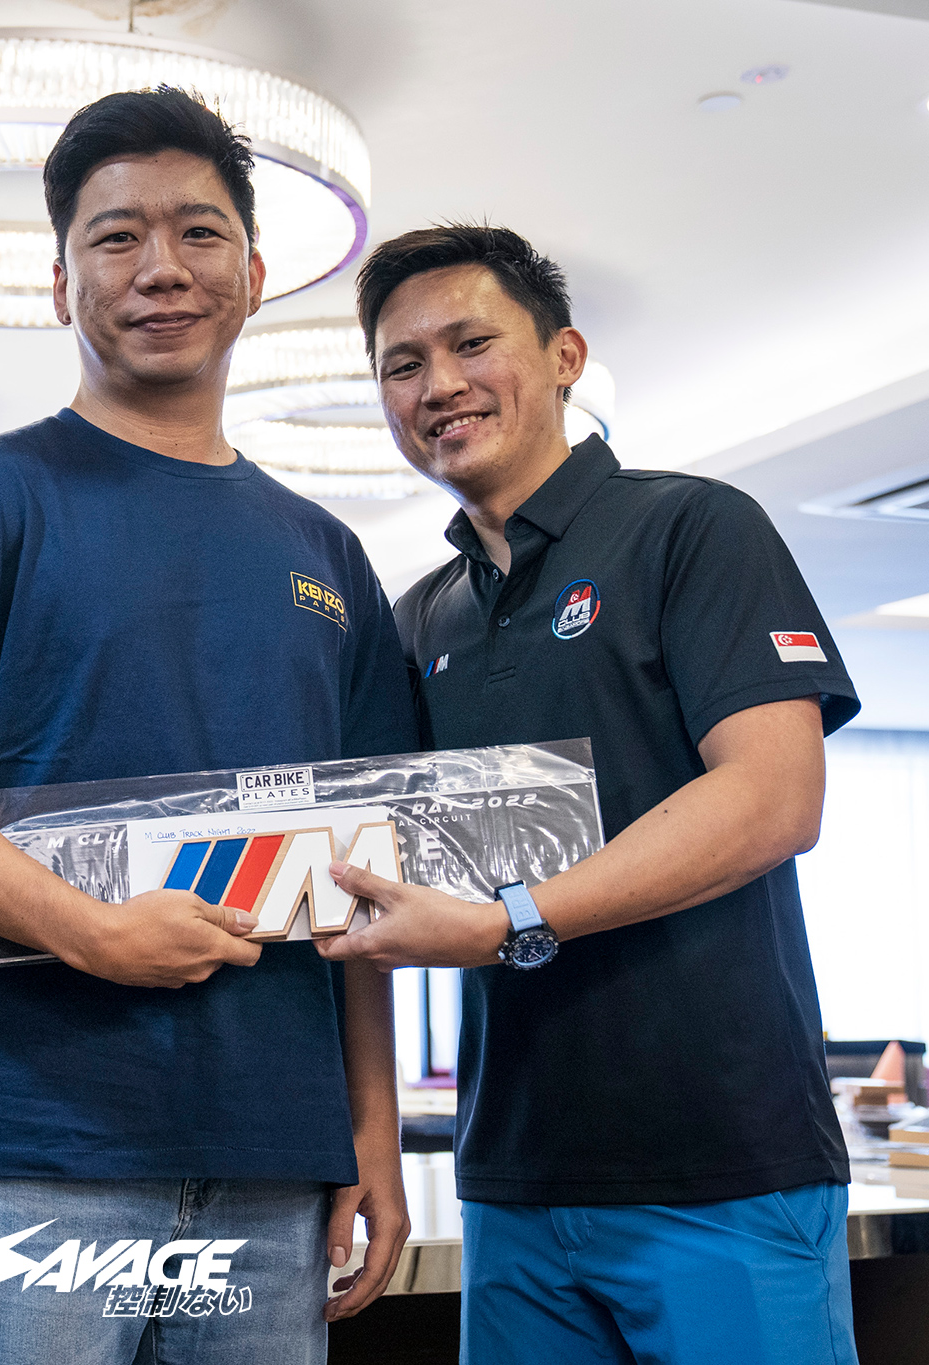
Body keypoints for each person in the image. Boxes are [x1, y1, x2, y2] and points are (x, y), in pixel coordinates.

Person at [0, 87, 412, 1364]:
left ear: (253, 274)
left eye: (197, 232)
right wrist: (88, 932)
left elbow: (365, 870)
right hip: (32, 1157)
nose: (159, 268)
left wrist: (370, 1125)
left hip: (270, 1161)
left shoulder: (327, 555)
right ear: (59, 283)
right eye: (115, 236)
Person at [317, 224, 862, 1364]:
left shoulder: (692, 528)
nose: (438, 384)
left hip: (722, 1165)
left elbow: (774, 799)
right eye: (403, 365)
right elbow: (362, 877)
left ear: (565, 356)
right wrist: (371, 1136)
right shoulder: (418, 618)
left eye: (472, 343)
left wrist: (507, 922)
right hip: (515, 1180)